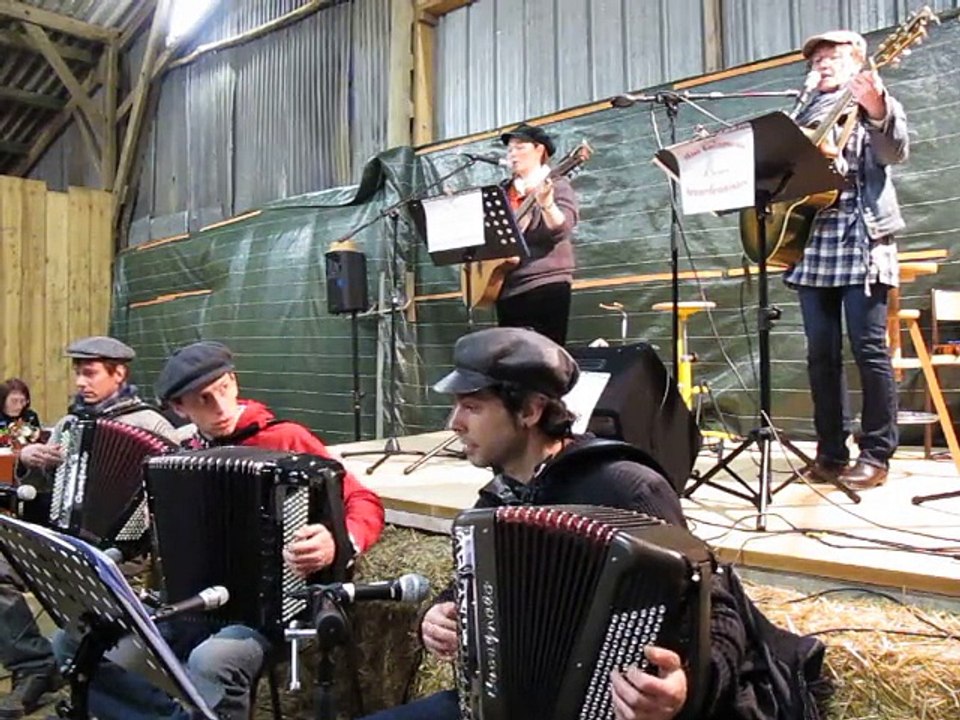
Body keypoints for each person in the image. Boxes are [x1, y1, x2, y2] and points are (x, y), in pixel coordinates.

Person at [362, 327, 749, 720]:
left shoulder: (627, 487)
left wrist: (684, 687)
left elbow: (718, 611)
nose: (454, 423)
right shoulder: (497, 501)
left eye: (472, 406)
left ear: (530, 410)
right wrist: (440, 616)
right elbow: (473, 588)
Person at [51, 340, 386, 720]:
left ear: (234, 380)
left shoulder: (285, 439)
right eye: (202, 400)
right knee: (74, 639)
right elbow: (135, 533)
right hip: (188, 606)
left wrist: (338, 541)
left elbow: (364, 501)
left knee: (212, 661)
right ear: (179, 408)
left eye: (224, 389)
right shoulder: (175, 455)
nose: (221, 407)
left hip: (271, 611)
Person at [1, 337, 178, 719]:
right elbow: (39, 489)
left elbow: (176, 496)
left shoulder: (151, 424)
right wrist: (28, 458)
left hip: (123, 553)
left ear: (119, 374)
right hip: (63, 539)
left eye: (91, 373)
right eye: (78, 373)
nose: (81, 382)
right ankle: (33, 665)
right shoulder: (69, 423)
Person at [787, 30, 908, 491]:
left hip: (862, 235)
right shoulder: (801, 110)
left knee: (869, 348)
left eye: (833, 55)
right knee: (821, 354)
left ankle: (876, 453)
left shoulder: (874, 100)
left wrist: (876, 106)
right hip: (811, 240)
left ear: (858, 62)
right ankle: (830, 451)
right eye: (816, 56)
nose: (822, 62)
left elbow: (894, 151)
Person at [495, 123, 580, 346]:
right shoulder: (503, 191)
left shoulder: (558, 184)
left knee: (545, 357)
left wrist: (548, 204)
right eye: (510, 149)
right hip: (507, 285)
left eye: (520, 147)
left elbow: (561, 228)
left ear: (539, 150)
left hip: (545, 283)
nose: (512, 154)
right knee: (511, 360)